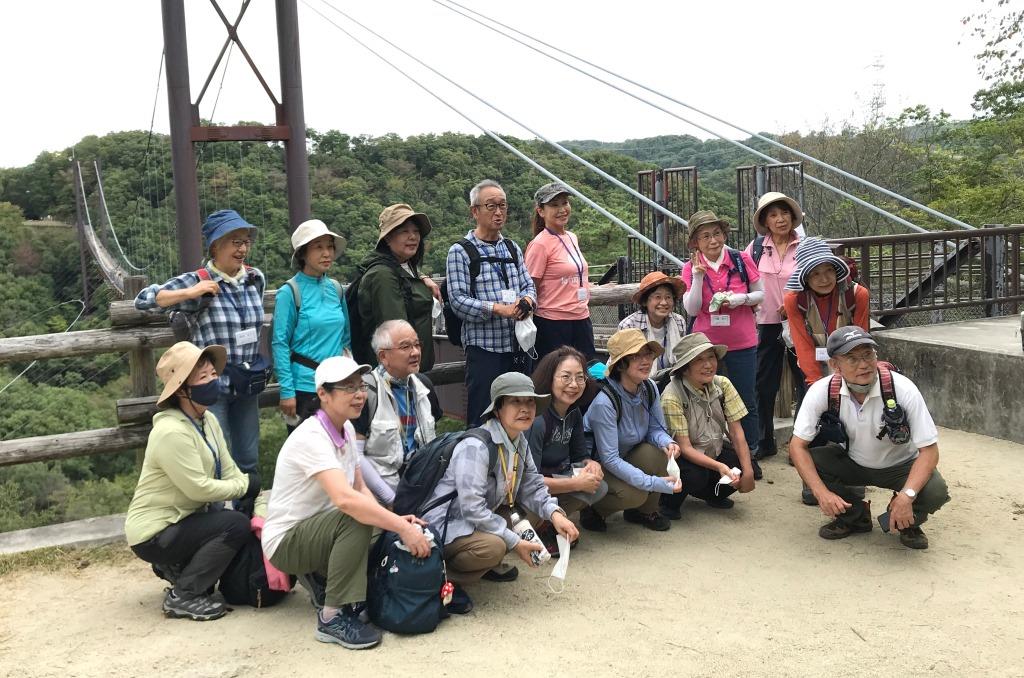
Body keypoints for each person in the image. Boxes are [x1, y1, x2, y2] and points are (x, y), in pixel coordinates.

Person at [262, 356, 432, 650]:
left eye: (360, 387)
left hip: (318, 529)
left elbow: (360, 488)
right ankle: (331, 617)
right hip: (285, 541)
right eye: (348, 388)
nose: (359, 395)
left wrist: (396, 521)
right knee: (356, 519)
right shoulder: (311, 437)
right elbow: (345, 500)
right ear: (323, 395)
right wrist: (402, 529)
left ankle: (325, 580)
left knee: (379, 527)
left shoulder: (347, 429)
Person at [421, 372, 579, 613]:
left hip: (476, 518)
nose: (525, 409)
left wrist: (556, 514)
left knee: (532, 518)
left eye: (529, 402)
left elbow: (532, 485)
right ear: (497, 409)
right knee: (494, 547)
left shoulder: (519, 440)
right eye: (515, 401)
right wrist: (514, 542)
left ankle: (477, 567)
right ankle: (438, 578)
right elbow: (471, 508)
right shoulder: (476, 446)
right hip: (446, 526)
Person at [125, 341, 260, 621]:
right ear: (182, 389)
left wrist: (243, 482)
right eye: (203, 377)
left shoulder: (206, 419)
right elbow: (198, 489)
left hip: (182, 521)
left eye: (213, 374)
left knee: (229, 522)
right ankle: (184, 595)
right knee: (234, 525)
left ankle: (177, 566)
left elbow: (229, 467)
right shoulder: (171, 432)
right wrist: (245, 486)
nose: (213, 381)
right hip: (155, 532)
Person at [789, 328, 949, 550]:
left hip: (901, 466)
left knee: (935, 491)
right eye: (852, 359)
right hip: (853, 461)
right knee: (812, 462)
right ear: (835, 365)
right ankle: (855, 517)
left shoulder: (902, 389)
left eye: (868, 355)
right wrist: (821, 493)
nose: (863, 364)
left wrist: (907, 495)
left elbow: (930, 451)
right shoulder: (822, 391)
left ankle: (905, 521)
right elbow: (797, 446)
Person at [134, 209, 266, 474]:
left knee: (248, 457)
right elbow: (143, 301)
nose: (242, 249)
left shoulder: (255, 278)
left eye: (246, 242)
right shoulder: (198, 281)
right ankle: (218, 514)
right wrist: (190, 292)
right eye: (235, 242)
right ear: (215, 246)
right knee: (214, 458)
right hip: (211, 385)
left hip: (247, 381)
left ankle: (247, 512)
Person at [446, 179, 537, 426]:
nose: (499, 212)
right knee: (483, 415)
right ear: (475, 211)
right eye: (491, 206)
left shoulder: (512, 248)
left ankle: (515, 464)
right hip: (484, 350)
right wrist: (498, 309)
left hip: (517, 347)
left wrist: (527, 301)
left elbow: (529, 285)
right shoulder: (460, 251)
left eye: (503, 206)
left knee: (519, 414)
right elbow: (458, 300)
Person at [681, 210, 765, 477]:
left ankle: (750, 454)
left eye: (716, 233)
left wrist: (740, 300)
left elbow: (760, 294)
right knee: (707, 401)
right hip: (705, 347)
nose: (713, 240)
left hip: (742, 342)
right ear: (696, 242)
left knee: (745, 399)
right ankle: (716, 454)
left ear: (724, 235)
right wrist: (696, 276)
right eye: (705, 236)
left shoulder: (741, 259)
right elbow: (693, 309)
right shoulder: (689, 267)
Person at [582, 329, 683, 532]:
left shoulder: (649, 388)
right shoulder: (605, 402)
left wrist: (667, 442)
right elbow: (609, 459)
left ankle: (644, 511)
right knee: (634, 493)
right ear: (620, 364)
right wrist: (653, 482)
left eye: (647, 354)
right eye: (636, 356)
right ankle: (592, 509)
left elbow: (655, 429)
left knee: (661, 453)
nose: (645, 361)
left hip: (626, 455)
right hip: (597, 466)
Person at [659, 334, 756, 519]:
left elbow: (736, 432)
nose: (708, 365)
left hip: (711, 448)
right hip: (682, 455)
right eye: (699, 360)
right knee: (694, 476)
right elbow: (685, 448)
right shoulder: (672, 396)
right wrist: (719, 466)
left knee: (745, 463)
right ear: (685, 369)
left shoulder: (722, 384)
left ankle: (713, 495)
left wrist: (748, 471)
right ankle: (667, 502)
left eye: (711, 357)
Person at [527, 346, 609, 552]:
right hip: (527, 490)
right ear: (549, 378)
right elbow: (528, 480)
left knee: (598, 485)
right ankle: (540, 525)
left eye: (580, 377)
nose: (574, 384)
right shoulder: (537, 419)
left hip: (557, 476)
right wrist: (576, 483)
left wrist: (592, 464)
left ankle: (552, 523)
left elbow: (580, 455)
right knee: (583, 486)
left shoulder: (573, 412)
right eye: (565, 377)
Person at [353, 320, 442, 506]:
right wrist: (391, 500)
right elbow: (355, 457)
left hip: (422, 490)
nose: (415, 352)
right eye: (405, 346)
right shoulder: (365, 392)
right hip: (380, 497)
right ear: (383, 357)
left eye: (417, 344)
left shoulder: (424, 386)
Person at [273, 219, 351, 431]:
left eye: (329, 247)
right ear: (302, 254)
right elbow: (280, 343)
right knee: (308, 456)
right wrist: (287, 390)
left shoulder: (336, 289)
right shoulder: (289, 293)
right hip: (305, 387)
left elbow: (345, 339)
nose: (327, 253)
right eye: (318, 247)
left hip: (337, 384)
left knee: (341, 448)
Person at [745, 192, 805, 460]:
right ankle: (763, 440)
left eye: (784, 213)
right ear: (765, 221)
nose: (780, 219)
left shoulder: (805, 245)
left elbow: (820, 279)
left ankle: (800, 445)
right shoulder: (755, 249)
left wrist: (795, 301)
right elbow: (743, 280)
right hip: (765, 324)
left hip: (799, 322)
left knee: (806, 382)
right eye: (773, 214)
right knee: (762, 384)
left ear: (793, 217)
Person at [351, 203, 441, 371]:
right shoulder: (383, 276)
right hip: (396, 375)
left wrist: (421, 277)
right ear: (387, 238)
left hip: (410, 371)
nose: (412, 237)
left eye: (416, 231)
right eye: (404, 231)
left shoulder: (404, 267)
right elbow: (396, 333)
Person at [783, 237, 870, 388]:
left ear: (836, 270)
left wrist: (848, 376)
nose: (824, 279)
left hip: (852, 364)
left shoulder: (857, 294)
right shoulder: (794, 300)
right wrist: (816, 384)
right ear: (805, 278)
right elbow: (803, 345)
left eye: (829, 270)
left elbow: (859, 342)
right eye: (815, 273)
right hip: (813, 363)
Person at [524, 182, 595, 360]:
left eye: (565, 203)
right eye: (554, 205)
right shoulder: (540, 244)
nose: (562, 209)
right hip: (553, 323)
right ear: (541, 211)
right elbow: (530, 287)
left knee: (587, 375)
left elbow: (572, 274)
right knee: (556, 377)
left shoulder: (572, 237)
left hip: (581, 318)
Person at [617, 271, 688, 382]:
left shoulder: (679, 322)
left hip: (673, 381)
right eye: (657, 297)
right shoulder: (629, 325)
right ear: (645, 301)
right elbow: (623, 366)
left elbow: (684, 356)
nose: (664, 302)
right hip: (638, 382)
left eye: (668, 297)